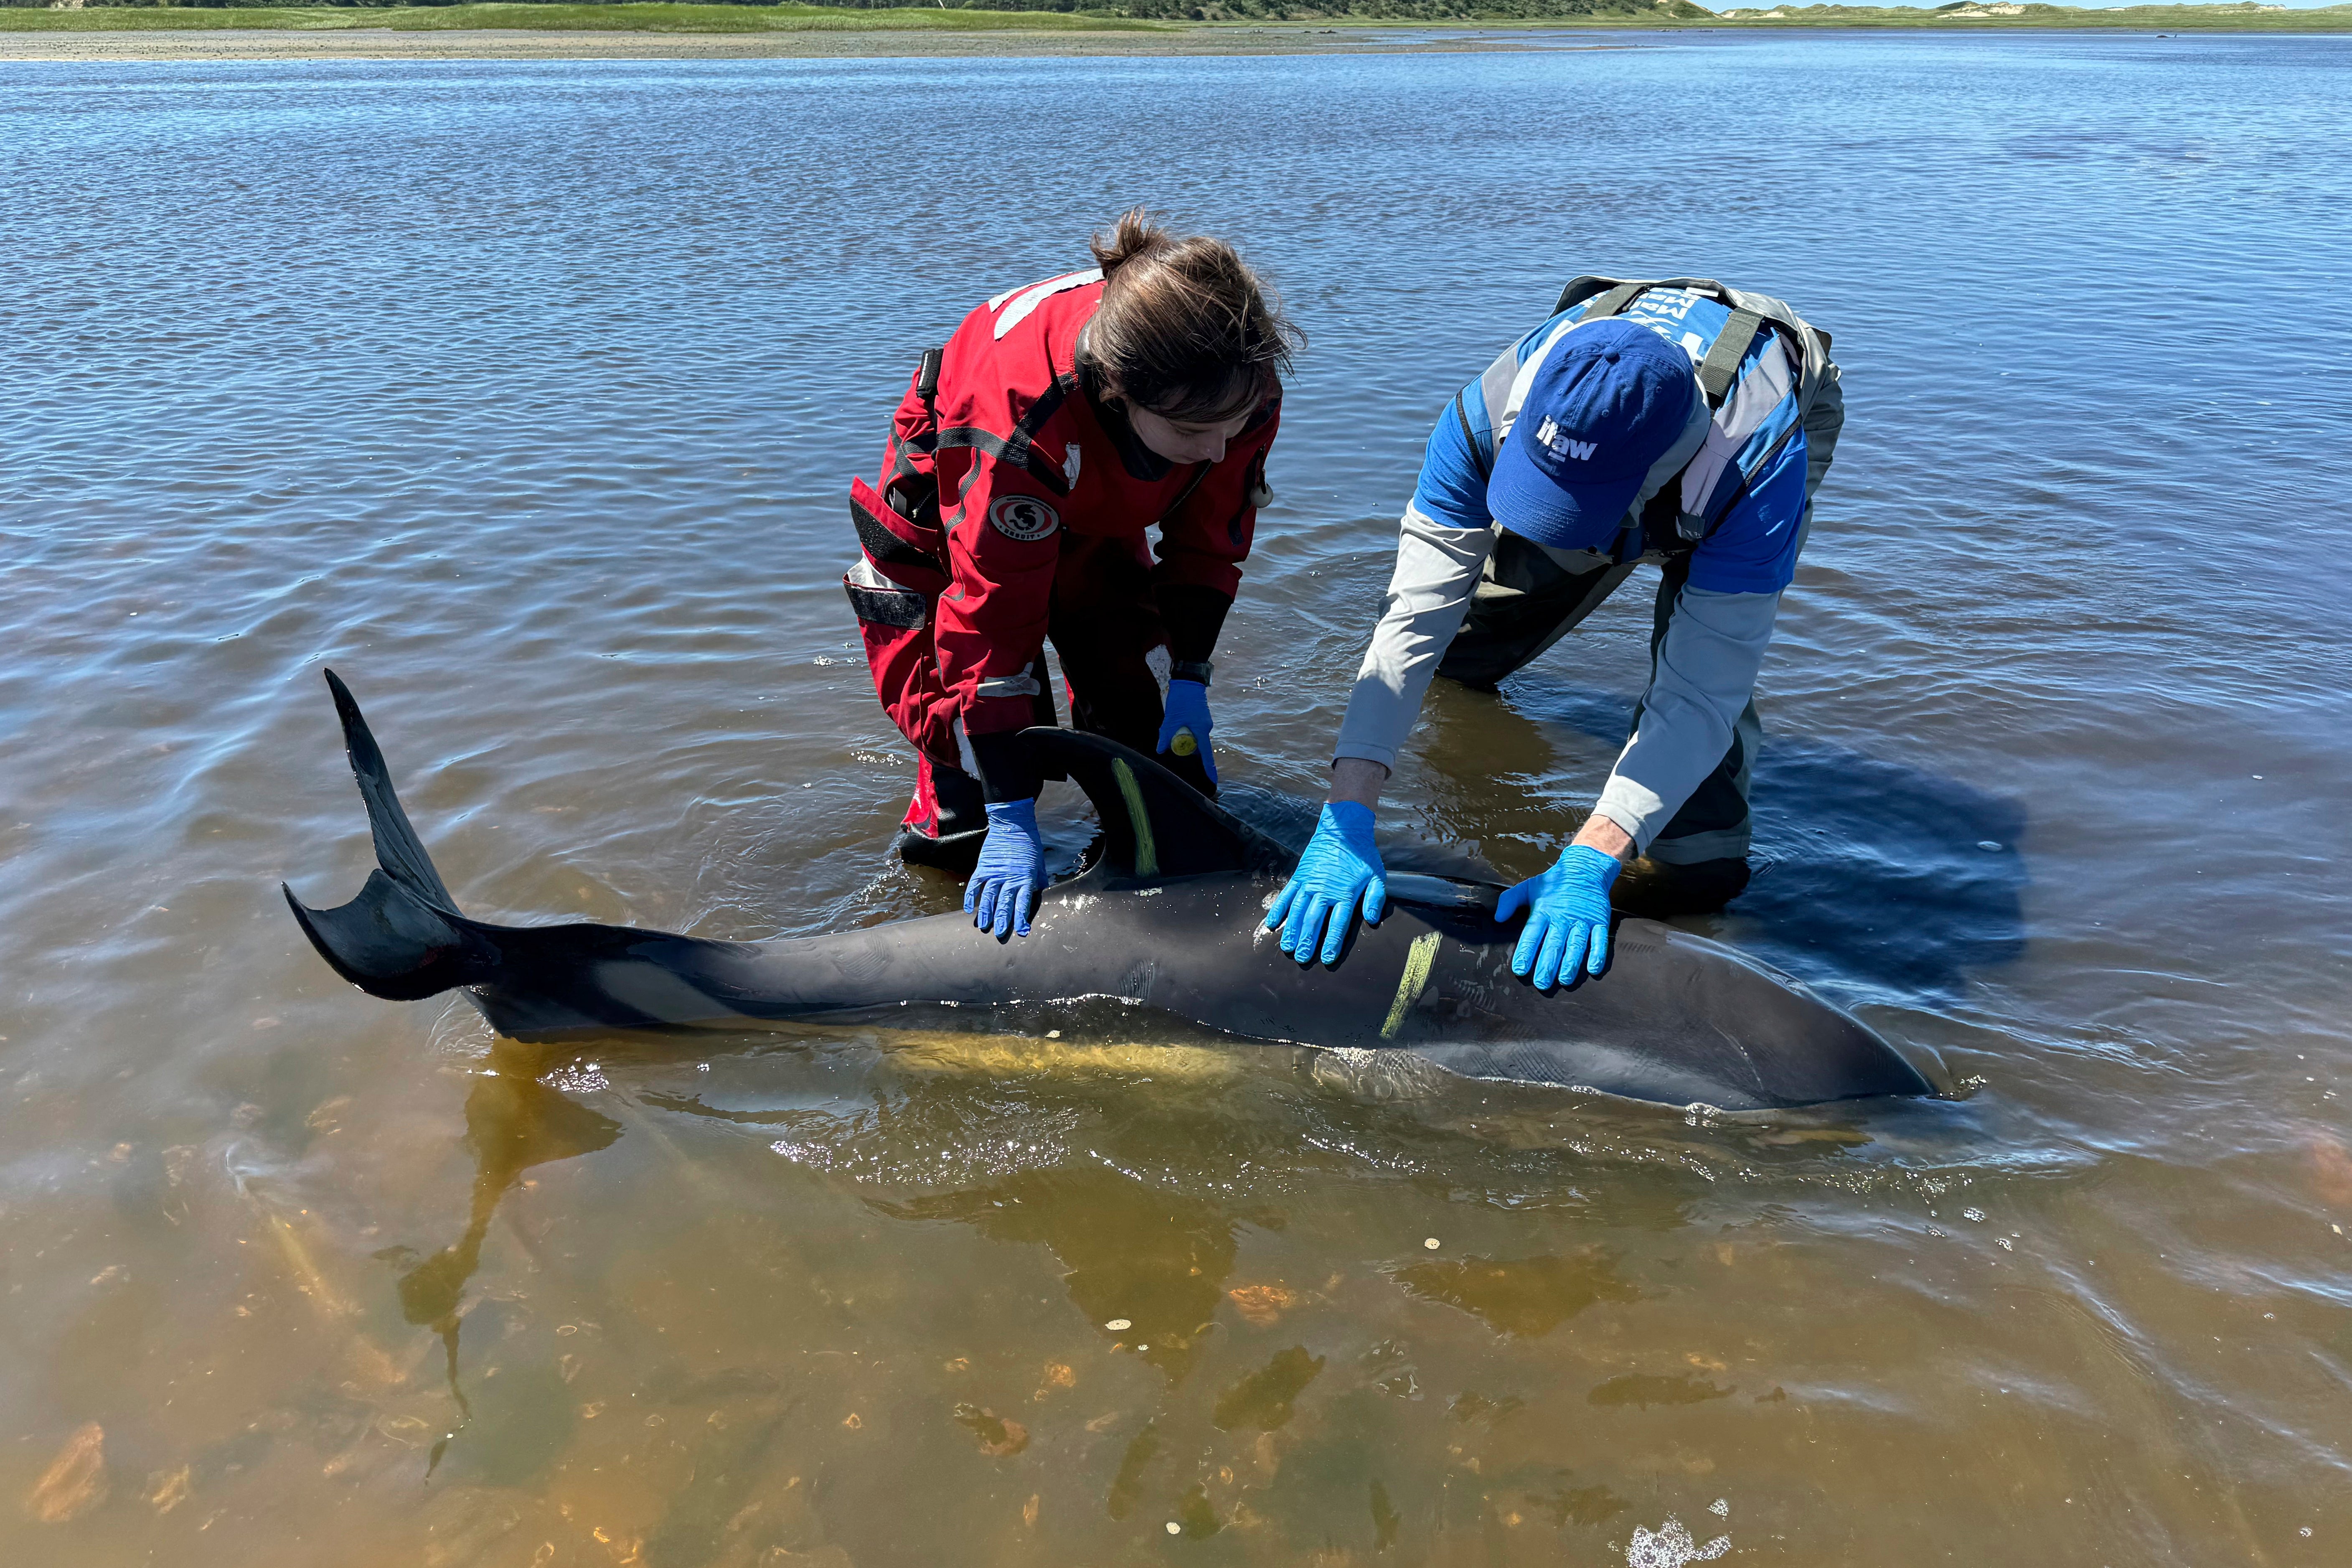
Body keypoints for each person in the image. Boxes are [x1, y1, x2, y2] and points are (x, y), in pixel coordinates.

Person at [1265, 274, 1844, 990]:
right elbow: (1412, 620)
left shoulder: (1756, 473)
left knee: (1698, 849)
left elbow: (1700, 692)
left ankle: (1682, 866)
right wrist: (1346, 809)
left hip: (1730, 460)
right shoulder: (1483, 413)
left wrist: (1594, 856)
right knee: (1460, 652)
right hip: (1596, 447)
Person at [844, 211, 1296, 939]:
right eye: (1192, 435)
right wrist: (1011, 811)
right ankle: (961, 803)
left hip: (1096, 481)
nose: (1218, 452)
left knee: (1155, 752)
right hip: (966, 478)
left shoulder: (1231, 385)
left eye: (1235, 427)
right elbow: (991, 617)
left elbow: (1209, 542)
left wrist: (1191, 672)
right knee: (963, 797)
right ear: (1120, 389)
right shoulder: (1020, 425)